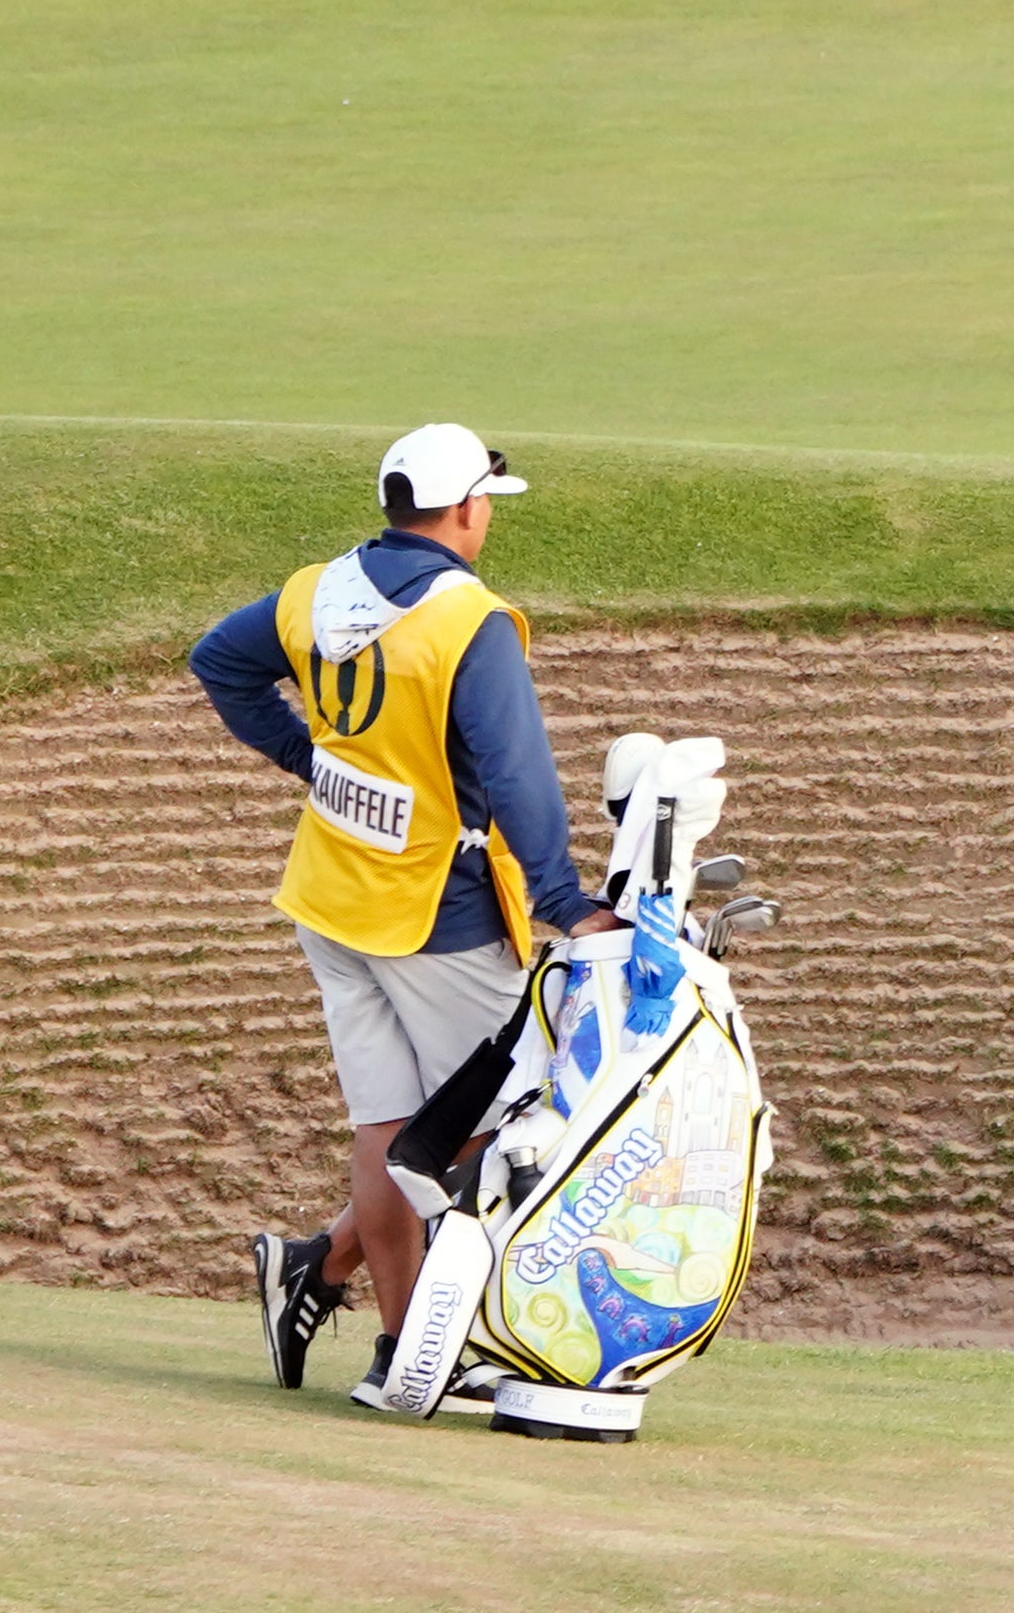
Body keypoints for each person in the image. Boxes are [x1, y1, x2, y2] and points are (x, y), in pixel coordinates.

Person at [189, 424, 615, 1412]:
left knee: (390, 1129)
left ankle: (391, 1345)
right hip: (440, 913)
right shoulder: (468, 622)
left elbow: (220, 660)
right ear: (466, 509)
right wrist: (562, 902)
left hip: (330, 898)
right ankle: (396, 1317)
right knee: (508, 1120)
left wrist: (309, 760)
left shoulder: (315, 590)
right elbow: (516, 773)